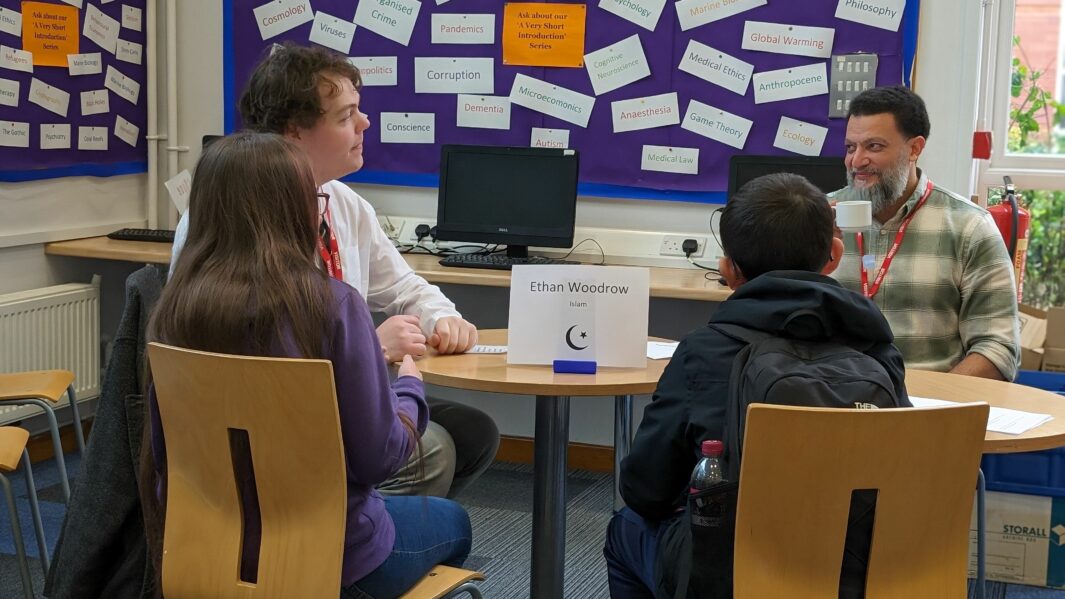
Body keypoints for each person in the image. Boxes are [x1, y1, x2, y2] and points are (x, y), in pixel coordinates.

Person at [143, 132, 472, 598]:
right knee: (453, 522)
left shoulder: (174, 310)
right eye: (315, 198)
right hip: (331, 559)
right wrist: (409, 386)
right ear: (294, 209)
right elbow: (379, 457)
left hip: (204, 548)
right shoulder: (333, 305)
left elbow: (165, 454)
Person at [171, 43, 499, 498]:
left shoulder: (342, 203)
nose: (364, 124)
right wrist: (371, 348)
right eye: (345, 117)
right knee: (434, 449)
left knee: (474, 431)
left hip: (339, 398)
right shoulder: (221, 218)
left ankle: (371, 527)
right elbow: (246, 363)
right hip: (268, 424)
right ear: (293, 134)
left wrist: (439, 316)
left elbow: (403, 284)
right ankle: (342, 541)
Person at [603, 173, 909, 599]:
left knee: (626, 528)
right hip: (863, 573)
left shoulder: (703, 352)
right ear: (834, 255)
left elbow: (646, 490)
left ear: (729, 270)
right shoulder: (878, 349)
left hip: (733, 579)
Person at [831, 85, 1020, 381]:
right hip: (827, 402)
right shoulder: (819, 218)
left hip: (928, 410)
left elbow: (998, 347)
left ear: (915, 149)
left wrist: (931, 408)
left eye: (874, 146)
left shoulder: (969, 228)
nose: (856, 161)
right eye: (850, 147)